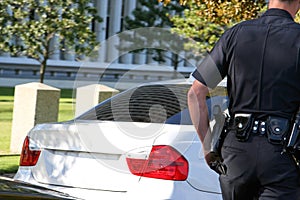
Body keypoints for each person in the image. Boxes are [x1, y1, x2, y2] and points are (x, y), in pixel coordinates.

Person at [187, 0, 300, 199]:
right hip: (282, 153)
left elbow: (195, 93)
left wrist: (207, 147)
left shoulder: (235, 34)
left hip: (236, 151)